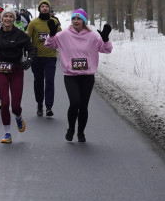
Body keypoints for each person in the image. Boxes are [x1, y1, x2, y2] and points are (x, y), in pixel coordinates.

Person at [43, 9, 113, 142]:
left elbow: (107, 49)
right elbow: (49, 45)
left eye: (79, 19)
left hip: (87, 76)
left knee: (83, 105)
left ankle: (81, 132)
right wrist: (52, 34)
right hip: (71, 75)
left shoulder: (93, 36)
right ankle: (71, 128)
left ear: (84, 21)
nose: (75, 21)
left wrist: (105, 39)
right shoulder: (64, 35)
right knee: (75, 102)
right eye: (73, 18)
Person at [0, 6, 37, 143]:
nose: (8, 19)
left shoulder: (20, 35)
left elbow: (32, 49)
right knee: (4, 103)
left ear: (14, 19)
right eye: (5, 16)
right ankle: (7, 133)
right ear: (1, 19)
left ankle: (18, 116)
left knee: (15, 106)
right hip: (1, 71)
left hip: (16, 71)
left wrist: (29, 60)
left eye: (10, 17)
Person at [25, 0, 62, 117]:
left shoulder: (55, 22)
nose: (45, 8)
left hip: (50, 57)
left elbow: (62, 38)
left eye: (47, 6)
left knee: (50, 81)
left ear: (49, 9)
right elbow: (27, 38)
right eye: (42, 6)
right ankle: (40, 104)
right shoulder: (34, 23)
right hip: (37, 58)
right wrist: (29, 51)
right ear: (39, 9)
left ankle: (49, 107)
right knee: (38, 82)